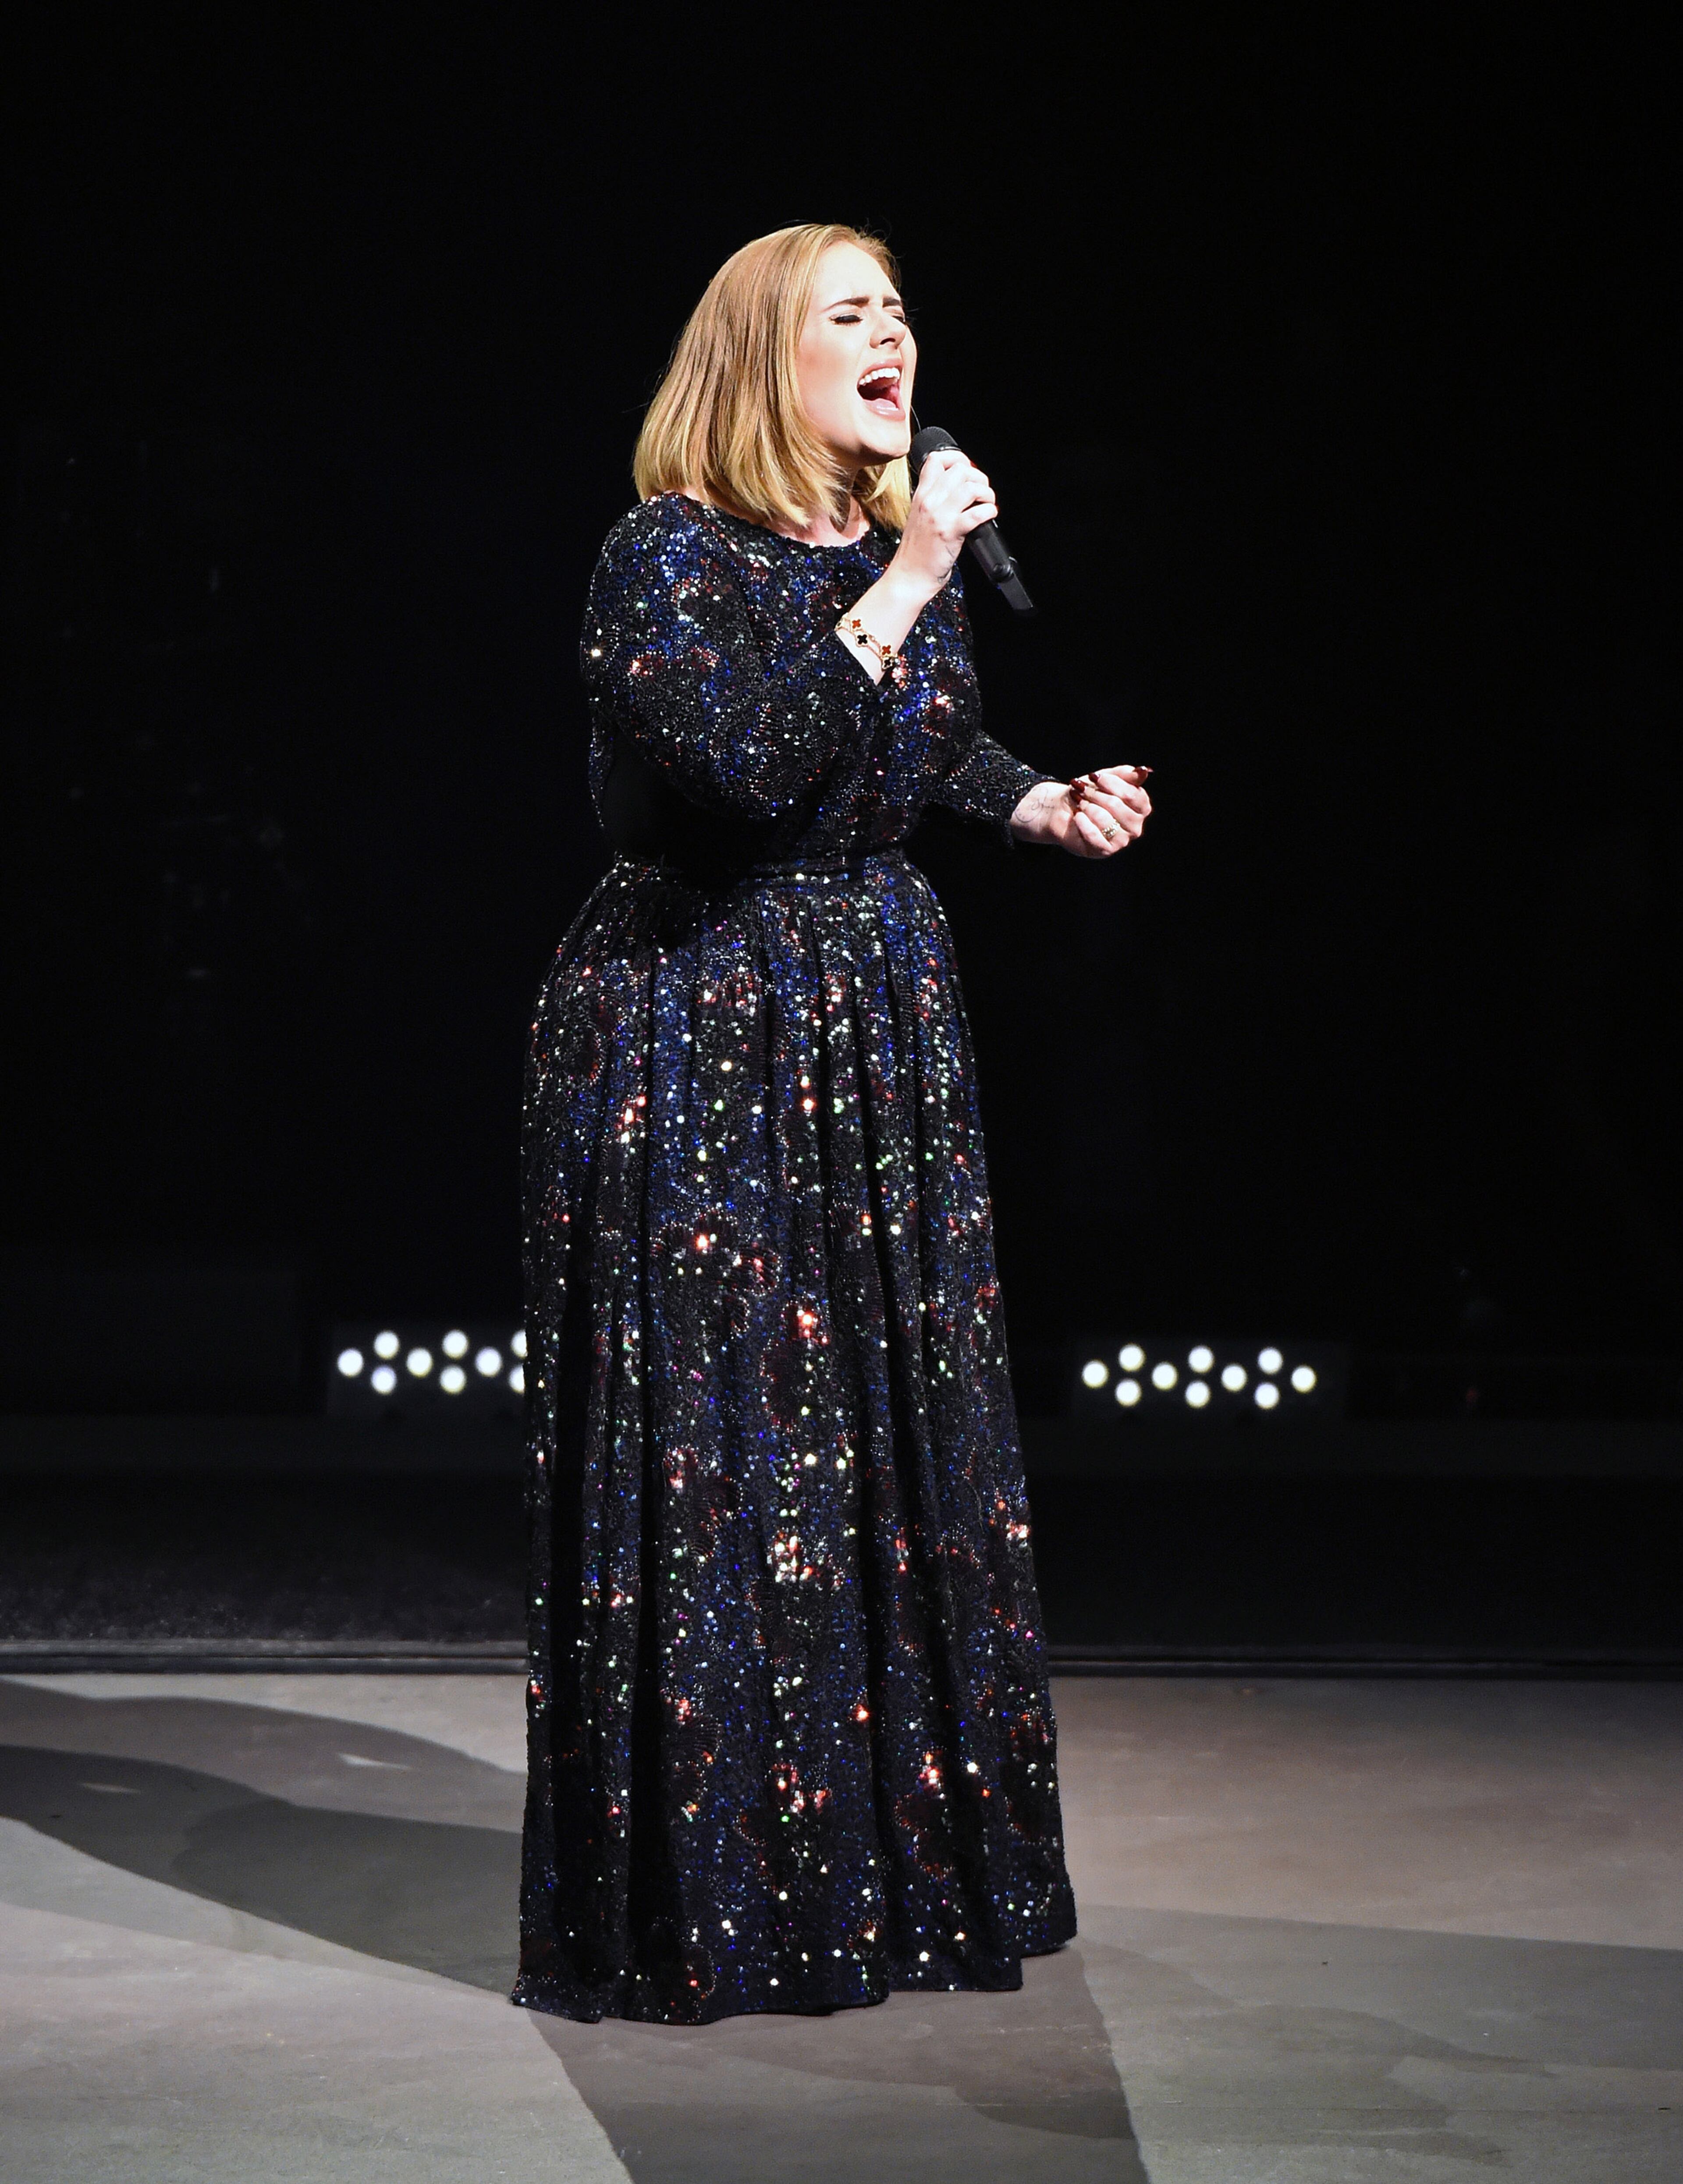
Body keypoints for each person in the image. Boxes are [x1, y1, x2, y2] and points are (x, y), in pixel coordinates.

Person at [513, 223, 1152, 2027]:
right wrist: (910, 576)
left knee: (888, 1435)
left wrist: (1042, 806)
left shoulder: (883, 555)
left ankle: (894, 1880)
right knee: (735, 1452)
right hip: (699, 1016)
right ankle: (715, 1898)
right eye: (850, 317)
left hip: (876, 1022)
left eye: (901, 313)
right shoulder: (667, 555)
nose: (895, 339)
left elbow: (924, 744)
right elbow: (742, 760)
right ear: (763, 365)